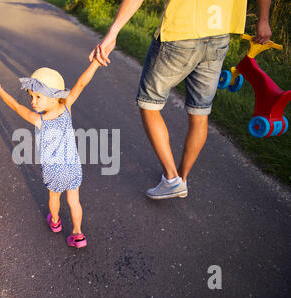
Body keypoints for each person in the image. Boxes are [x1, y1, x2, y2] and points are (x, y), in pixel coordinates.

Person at [90, 0, 272, 199]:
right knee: (200, 112)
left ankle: (171, 179)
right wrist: (263, 20)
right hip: (219, 33)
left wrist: (113, 32)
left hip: (180, 32)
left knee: (149, 103)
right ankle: (182, 178)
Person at [0, 61, 102, 248]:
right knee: (74, 201)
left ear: (53, 96)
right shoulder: (66, 106)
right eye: (31, 96)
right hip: (73, 168)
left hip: (54, 172)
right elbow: (81, 83)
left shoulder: (38, 119)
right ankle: (78, 234)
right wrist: (96, 63)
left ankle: (55, 221)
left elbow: (15, 106)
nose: (33, 101)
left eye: (38, 97)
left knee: (54, 197)